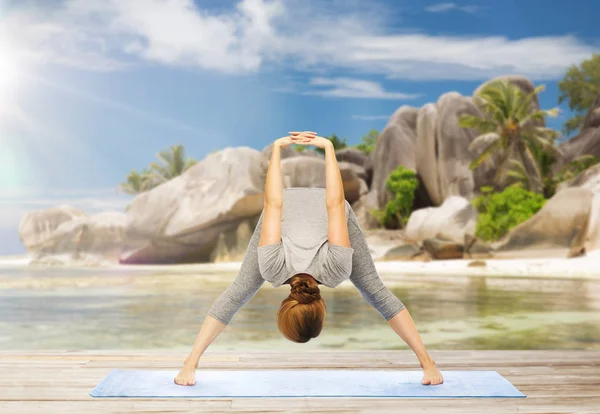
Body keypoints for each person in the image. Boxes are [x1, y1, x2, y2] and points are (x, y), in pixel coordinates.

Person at [175, 131, 443, 386]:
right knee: (374, 292)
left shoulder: (332, 270)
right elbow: (281, 204)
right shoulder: (277, 269)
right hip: (287, 206)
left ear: (323, 311)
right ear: (283, 307)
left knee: (376, 293)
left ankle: (429, 364)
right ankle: (189, 363)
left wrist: (318, 150)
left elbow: (325, 204)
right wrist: (301, 150)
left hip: (289, 208)